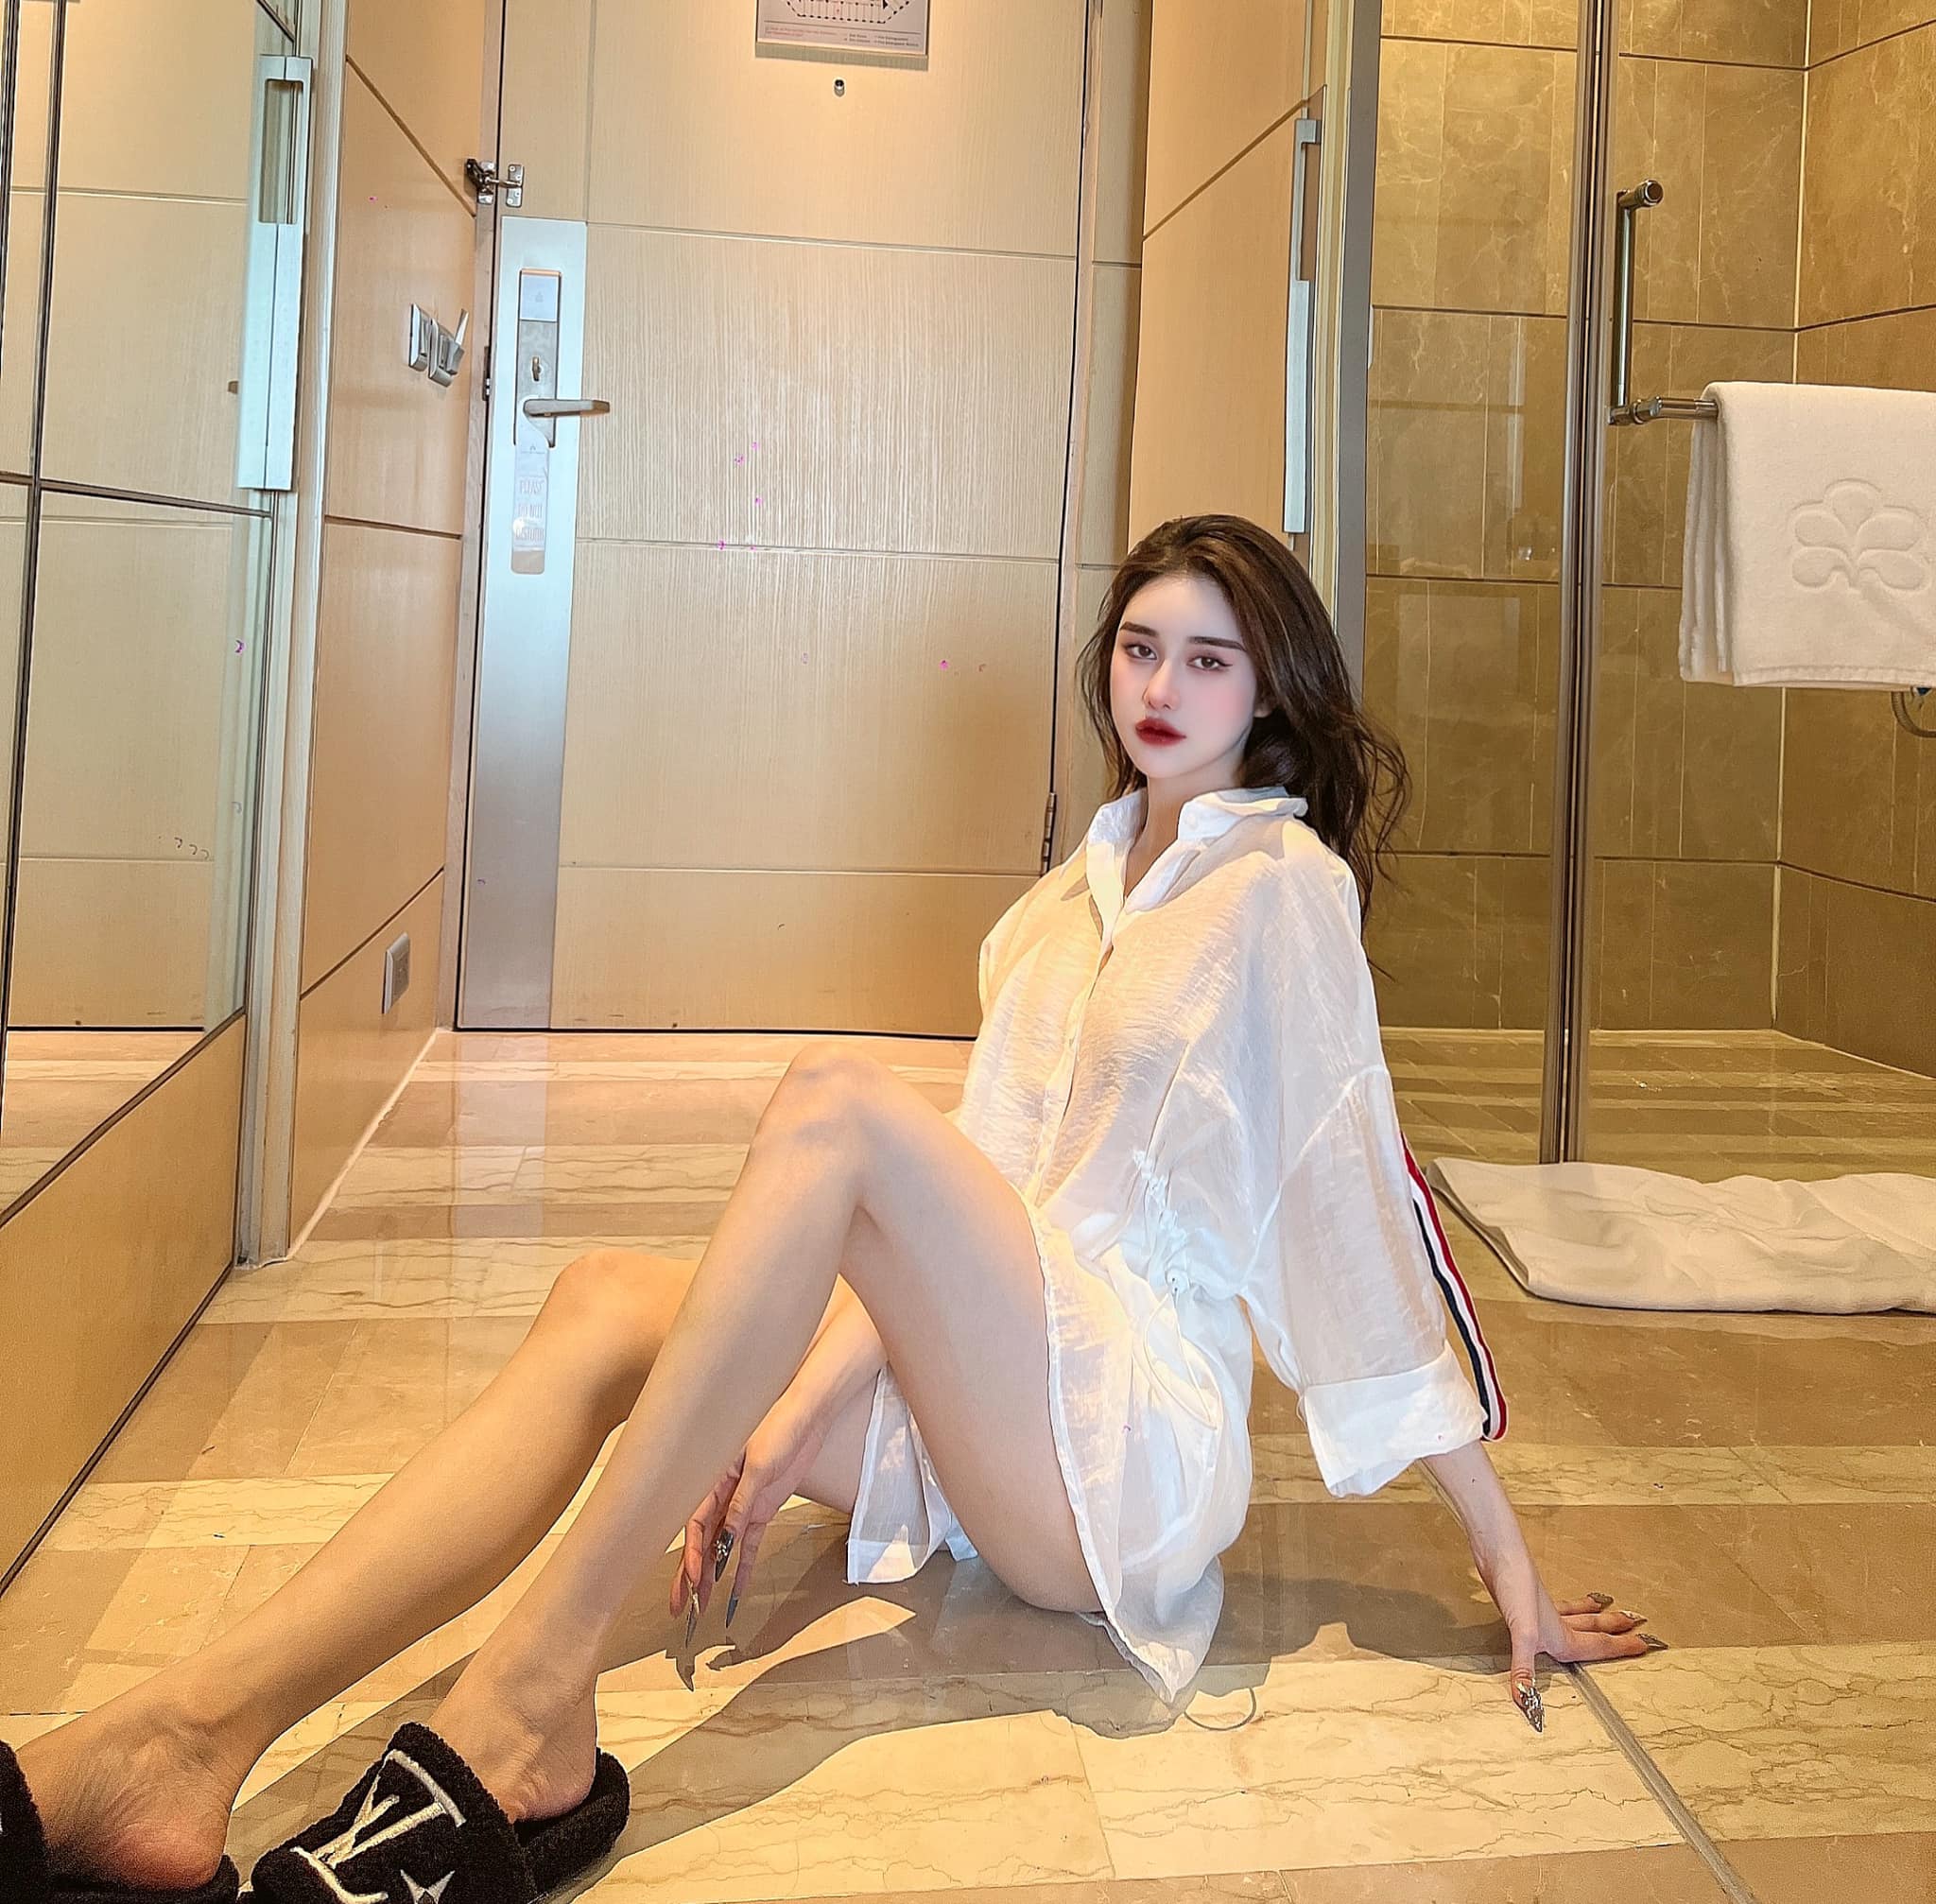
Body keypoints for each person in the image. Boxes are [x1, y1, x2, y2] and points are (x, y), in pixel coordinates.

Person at [2, 513, 1654, 1904]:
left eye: (1210, 660)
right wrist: (796, 1409)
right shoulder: (1056, 910)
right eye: (1142, 647)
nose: (1163, 688)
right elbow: (958, 1223)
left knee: (842, 1107)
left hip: (1127, 1454)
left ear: (1270, 689)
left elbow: (1357, 1203)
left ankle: (529, 1698)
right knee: (605, 1303)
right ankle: (181, 1737)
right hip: (999, 1399)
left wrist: (1501, 1554)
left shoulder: (1287, 892)